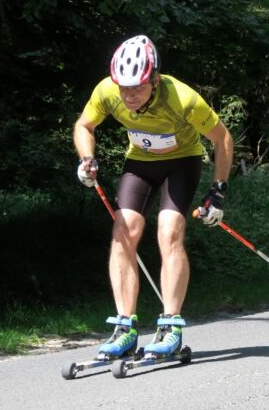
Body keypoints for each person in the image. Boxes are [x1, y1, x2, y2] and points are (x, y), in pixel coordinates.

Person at [73, 35, 234, 360]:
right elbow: (84, 125)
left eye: (137, 87)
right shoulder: (107, 91)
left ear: (155, 80)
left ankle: (171, 325)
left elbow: (222, 138)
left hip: (182, 161)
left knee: (168, 232)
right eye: (123, 88)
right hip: (141, 162)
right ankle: (125, 326)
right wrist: (86, 160)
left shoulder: (182, 98)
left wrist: (218, 192)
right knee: (123, 232)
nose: (129, 96)